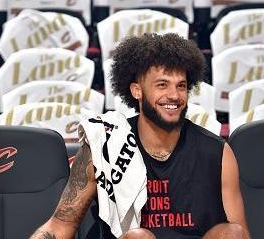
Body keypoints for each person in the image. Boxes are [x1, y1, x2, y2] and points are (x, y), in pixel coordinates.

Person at [30, 33, 250, 239]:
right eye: (162, 85)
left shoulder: (217, 152)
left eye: (181, 86)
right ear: (137, 90)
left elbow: (239, 233)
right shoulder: (105, 146)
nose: (174, 95)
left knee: (232, 232)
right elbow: (59, 225)